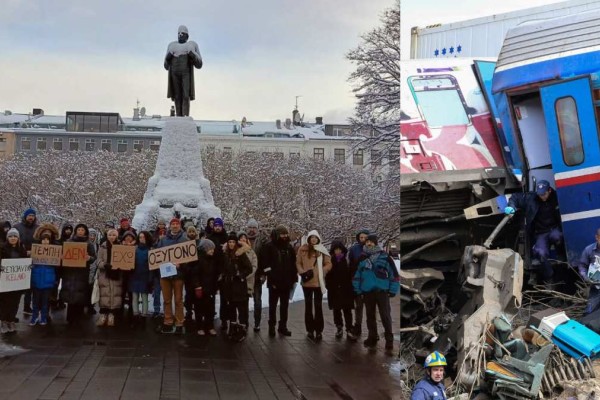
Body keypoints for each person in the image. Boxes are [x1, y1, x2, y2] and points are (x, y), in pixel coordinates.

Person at [505, 180, 562, 284]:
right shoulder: (531, 198)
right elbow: (515, 197)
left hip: (554, 229)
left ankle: (561, 259)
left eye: (544, 194)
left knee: (558, 237)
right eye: (540, 194)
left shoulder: (557, 197)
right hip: (541, 233)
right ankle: (550, 278)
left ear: (549, 190)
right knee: (540, 253)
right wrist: (511, 206)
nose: (542, 197)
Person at [353, 234, 399, 350]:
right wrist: (358, 290)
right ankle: (372, 337)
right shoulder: (362, 258)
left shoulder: (385, 257)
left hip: (382, 291)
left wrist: (393, 289)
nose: (368, 243)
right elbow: (357, 275)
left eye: (371, 242)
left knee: (385, 315)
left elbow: (394, 275)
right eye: (367, 241)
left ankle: (389, 339)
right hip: (367, 291)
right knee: (370, 316)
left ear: (375, 243)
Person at [261, 225, 297, 337]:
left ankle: (283, 326)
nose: (284, 236)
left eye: (286, 234)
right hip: (274, 283)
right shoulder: (269, 247)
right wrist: (272, 277)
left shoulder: (289, 248)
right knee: (273, 306)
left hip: (286, 282)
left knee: (284, 306)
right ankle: (271, 326)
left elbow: (293, 264)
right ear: (277, 235)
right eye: (282, 234)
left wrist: (293, 278)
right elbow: (265, 265)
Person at [296, 230, 332, 342]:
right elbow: (298, 263)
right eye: (311, 238)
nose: (313, 239)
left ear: (318, 239)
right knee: (308, 306)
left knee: (318, 306)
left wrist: (322, 271)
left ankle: (319, 330)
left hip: (318, 282)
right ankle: (310, 330)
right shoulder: (302, 249)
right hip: (306, 281)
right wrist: (302, 272)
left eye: (315, 238)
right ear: (308, 239)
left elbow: (329, 263)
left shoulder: (322, 250)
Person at [156, 217, 187, 334]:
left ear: (179, 226)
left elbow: (189, 258)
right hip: (165, 275)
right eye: (173, 224)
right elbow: (157, 255)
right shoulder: (163, 240)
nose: (174, 226)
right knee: (167, 300)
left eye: (176, 224)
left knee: (179, 300)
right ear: (170, 226)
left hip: (178, 275)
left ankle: (179, 322)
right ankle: (168, 321)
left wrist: (181, 264)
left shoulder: (185, 240)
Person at [164, 25, 203, 117]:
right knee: (177, 96)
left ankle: (185, 117)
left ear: (187, 36)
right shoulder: (172, 46)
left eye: (183, 34)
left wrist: (192, 54)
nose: (180, 35)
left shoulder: (192, 45)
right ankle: (179, 116)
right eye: (179, 34)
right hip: (174, 73)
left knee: (186, 96)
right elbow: (166, 66)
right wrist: (168, 58)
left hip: (186, 73)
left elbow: (199, 64)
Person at [62, 224, 96, 325]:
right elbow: (63, 254)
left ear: (85, 232)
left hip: (82, 272)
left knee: (81, 296)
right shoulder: (68, 242)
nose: (80, 231)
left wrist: (89, 258)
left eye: (82, 230)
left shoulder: (89, 244)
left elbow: (94, 257)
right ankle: (70, 317)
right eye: (79, 230)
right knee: (70, 294)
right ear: (76, 231)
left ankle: (79, 317)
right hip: (70, 272)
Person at [222, 232, 253, 342]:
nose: (231, 244)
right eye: (229, 242)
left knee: (241, 308)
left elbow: (249, 268)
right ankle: (233, 328)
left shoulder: (240, 254)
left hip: (239, 285)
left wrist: (241, 275)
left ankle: (242, 329)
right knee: (231, 308)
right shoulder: (225, 254)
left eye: (233, 242)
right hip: (229, 286)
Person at [30, 224, 60, 326]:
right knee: (35, 301)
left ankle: (43, 317)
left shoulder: (54, 252)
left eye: (47, 240)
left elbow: (57, 267)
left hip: (48, 281)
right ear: (40, 240)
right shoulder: (35, 251)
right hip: (36, 280)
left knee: (45, 302)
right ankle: (34, 317)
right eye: (43, 240)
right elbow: (30, 264)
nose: (45, 241)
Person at [327, 241, 357, 340]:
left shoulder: (347, 261)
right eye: (336, 249)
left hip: (346, 289)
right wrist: (329, 286)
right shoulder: (330, 261)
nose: (338, 251)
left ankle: (349, 329)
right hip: (334, 290)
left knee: (347, 310)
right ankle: (339, 327)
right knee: (336, 310)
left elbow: (351, 274)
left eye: (339, 249)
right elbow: (327, 276)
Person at [0, 228, 27, 334]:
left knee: (15, 302)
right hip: (5, 281)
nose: (13, 238)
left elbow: (24, 262)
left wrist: (28, 266)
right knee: (4, 302)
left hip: (17, 282)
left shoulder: (22, 249)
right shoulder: (2, 248)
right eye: (11, 236)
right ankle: (3, 321)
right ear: (7, 238)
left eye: (15, 236)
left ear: (18, 238)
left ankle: (11, 320)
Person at [14, 207, 39, 315]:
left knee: (31, 284)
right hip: (20, 260)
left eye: (33, 216)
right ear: (25, 216)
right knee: (18, 285)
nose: (31, 218)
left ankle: (27, 306)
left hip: (34, 259)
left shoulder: (38, 228)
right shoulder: (17, 227)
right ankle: (12, 313)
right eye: (29, 216)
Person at [190, 239, 218, 336]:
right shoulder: (198, 260)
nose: (212, 251)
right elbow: (194, 274)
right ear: (205, 249)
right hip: (201, 289)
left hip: (210, 288)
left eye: (213, 249)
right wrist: (197, 286)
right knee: (199, 309)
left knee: (210, 309)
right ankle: (199, 327)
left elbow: (214, 275)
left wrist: (215, 287)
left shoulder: (213, 260)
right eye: (210, 249)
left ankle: (210, 326)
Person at [96, 229, 123, 327]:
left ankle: (112, 315)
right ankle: (103, 315)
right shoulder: (102, 247)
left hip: (117, 274)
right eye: (110, 235)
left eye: (114, 235)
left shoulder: (121, 246)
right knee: (105, 294)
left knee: (115, 294)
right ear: (107, 236)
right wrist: (104, 265)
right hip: (105, 274)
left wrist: (121, 265)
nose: (112, 237)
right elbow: (98, 261)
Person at [245, 219, 266, 332]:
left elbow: (265, 259)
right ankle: (244, 322)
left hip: (257, 276)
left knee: (257, 300)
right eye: (250, 227)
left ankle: (257, 323)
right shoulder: (242, 239)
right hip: (246, 276)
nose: (252, 230)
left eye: (254, 227)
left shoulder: (262, 241)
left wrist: (264, 274)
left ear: (257, 229)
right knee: (244, 301)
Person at [207, 217, 228, 330]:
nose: (217, 227)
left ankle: (224, 319)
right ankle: (210, 318)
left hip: (224, 271)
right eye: (216, 225)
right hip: (212, 271)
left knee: (224, 298)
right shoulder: (209, 238)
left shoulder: (227, 238)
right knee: (211, 297)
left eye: (219, 225)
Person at [129, 231, 153, 328]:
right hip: (134, 276)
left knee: (144, 297)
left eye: (143, 237)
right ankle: (135, 316)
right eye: (140, 237)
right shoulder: (134, 249)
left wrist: (150, 278)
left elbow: (152, 265)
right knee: (134, 297)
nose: (141, 239)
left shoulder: (150, 250)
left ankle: (143, 317)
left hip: (145, 276)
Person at [348, 228, 369, 337]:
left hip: (370, 282)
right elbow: (351, 265)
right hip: (357, 282)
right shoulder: (354, 249)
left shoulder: (372, 248)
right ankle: (358, 326)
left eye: (365, 237)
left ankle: (372, 330)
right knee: (358, 306)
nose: (363, 239)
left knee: (371, 308)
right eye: (361, 237)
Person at [577, 228, 600, 315]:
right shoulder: (589, 250)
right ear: (597, 238)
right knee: (589, 312)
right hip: (596, 287)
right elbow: (582, 266)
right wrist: (586, 277)